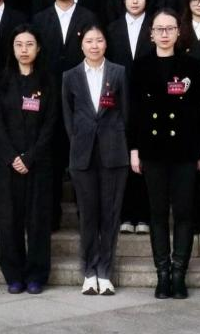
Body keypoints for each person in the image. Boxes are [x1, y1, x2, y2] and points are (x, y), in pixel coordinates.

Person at [129, 9, 200, 299]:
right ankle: (162, 274)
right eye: (159, 29)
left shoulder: (192, 66)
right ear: (151, 33)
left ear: (178, 32)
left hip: (185, 150)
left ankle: (178, 274)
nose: (164, 34)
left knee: (184, 213)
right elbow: (134, 112)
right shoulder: (140, 66)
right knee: (158, 214)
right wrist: (134, 149)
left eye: (170, 28)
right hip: (153, 150)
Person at [61, 25, 130, 296]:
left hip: (113, 152)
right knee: (88, 215)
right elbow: (68, 116)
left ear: (106, 44)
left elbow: (126, 112)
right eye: (89, 41)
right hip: (82, 153)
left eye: (99, 40)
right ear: (81, 45)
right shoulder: (70, 76)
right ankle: (89, 272)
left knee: (110, 215)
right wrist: (78, 141)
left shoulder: (118, 72)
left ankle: (105, 272)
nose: (94, 45)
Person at [0, 25, 57, 295]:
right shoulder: (2, 79)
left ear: (38, 48)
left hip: (38, 162)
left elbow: (51, 122)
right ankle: (14, 274)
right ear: (12, 48)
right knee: (9, 220)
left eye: (29, 44)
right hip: (8, 163)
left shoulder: (48, 80)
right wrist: (12, 156)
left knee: (38, 220)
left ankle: (36, 275)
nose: (24, 50)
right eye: (19, 44)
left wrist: (30, 156)